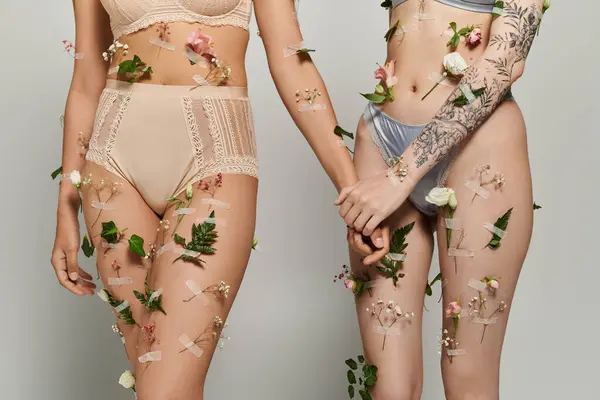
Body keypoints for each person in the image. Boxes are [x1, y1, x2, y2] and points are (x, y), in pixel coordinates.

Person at [50, 0, 359, 398]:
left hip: (215, 157)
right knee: (152, 379)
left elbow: (290, 59)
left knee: (166, 389)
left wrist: (349, 183)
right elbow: (86, 76)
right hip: (111, 164)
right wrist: (66, 203)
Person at [335, 0, 548, 398]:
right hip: (382, 143)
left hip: (479, 147)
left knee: (467, 378)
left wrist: (401, 176)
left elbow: (507, 58)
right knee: (387, 387)